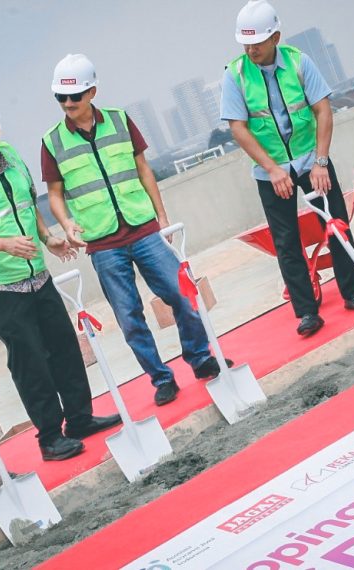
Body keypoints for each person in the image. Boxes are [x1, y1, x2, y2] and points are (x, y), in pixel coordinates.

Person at [0, 89, 120, 461]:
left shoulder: (14, 159)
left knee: (64, 345)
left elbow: (26, 205)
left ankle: (80, 418)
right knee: (30, 358)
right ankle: (50, 437)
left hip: (36, 275)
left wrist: (47, 237)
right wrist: (4, 245)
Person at [42, 54, 229, 407]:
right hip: (103, 243)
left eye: (75, 96)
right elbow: (54, 194)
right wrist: (66, 223)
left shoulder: (119, 120)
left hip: (143, 229)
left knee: (181, 295)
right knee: (129, 319)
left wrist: (161, 215)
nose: (68, 104)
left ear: (92, 91)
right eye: (61, 98)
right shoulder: (52, 141)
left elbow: (143, 170)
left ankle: (201, 359)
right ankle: (161, 379)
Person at [221, 0, 354, 337]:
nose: (251, 49)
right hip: (270, 171)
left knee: (337, 225)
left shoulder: (299, 63)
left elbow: (322, 110)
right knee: (287, 241)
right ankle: (306, 312)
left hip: (311, 161)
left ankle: (353, 291)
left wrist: (321, 161)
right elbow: (238, 129)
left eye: (257, 43)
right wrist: (273, 170)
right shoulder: (235, 75)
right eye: (245, 43)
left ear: (275, 36)